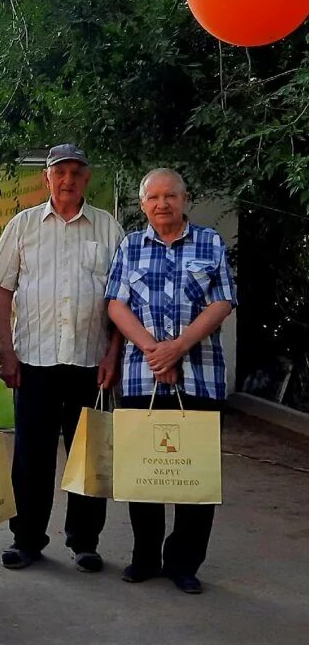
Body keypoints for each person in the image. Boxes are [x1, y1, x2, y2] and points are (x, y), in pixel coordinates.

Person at [0, 144, 125, 572]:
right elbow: (2, 290)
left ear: (87, 178)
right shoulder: (24, 225)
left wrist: (113, 353)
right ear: (47, 177)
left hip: (90, 361)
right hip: (34, 361)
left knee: (87, 453)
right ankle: (27, 539)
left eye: (76, 173)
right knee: (32, 455)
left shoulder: (107, 228)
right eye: (60, 172)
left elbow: (121, 297)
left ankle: (85, 541)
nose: (68, 180)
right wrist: (7, 352)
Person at [106, 167, 236, 595]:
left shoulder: (210, 242)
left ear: (185, 198)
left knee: (192, 475)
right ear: (143, 204)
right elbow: (116, 306)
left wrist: (177, 347)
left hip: (199, 377)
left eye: (170, 196)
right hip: (143, 377)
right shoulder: (129, 246)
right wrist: (154, 351)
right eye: (153, 198)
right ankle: (144, 556)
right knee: (144, 473)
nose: (162, 204)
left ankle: (184, 563)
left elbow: (222, 301)